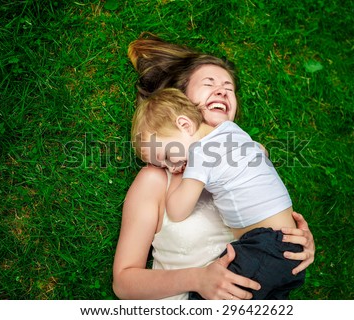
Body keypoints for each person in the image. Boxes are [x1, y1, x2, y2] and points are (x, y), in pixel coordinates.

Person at [112, 33, 315, 300]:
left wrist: (296, 242)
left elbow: (271, 214)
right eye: (209, 84)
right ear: (180, 100)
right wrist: (198, 278)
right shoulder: (157, 178)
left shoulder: (249, 159)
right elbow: (124, 282)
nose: (222, 90)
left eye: (228, 88)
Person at [131, 88, 305, 299]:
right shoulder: (232, 130)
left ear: (185, 125)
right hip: (286, 245)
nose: (172, 168)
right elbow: (262, 152)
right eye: (163, 166)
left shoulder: (202, 154)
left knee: (209, 298)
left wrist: (180, 183)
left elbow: (177, 211)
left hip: (262, 246)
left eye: (167, 156)